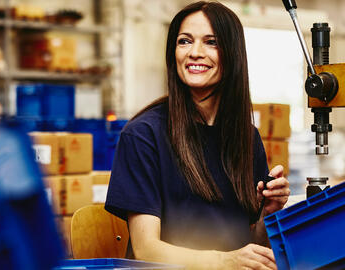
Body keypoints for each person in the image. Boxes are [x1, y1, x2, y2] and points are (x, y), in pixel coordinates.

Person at [105, 1, 290, 269]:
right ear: (173, 53)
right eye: (184, 41)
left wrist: (268, 214)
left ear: (233, 54)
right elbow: (146, 250)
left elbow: (246, 245)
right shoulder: (143, 135)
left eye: (211, 42)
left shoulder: (246, 137)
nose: (195, 52)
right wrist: (225, 260)